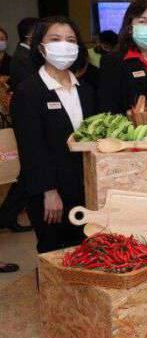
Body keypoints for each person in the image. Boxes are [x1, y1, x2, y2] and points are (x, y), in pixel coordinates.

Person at [11, 16, 95, 253]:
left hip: (83, 188)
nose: (64, 45)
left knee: (86, 252)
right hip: (50, 192)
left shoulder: (86, 90)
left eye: (71, 40)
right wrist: (48, 191)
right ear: (41, 47)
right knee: (54, 254)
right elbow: (31, 148)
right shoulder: (29, 91)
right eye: (55, 39)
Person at [0, 24, 32, 233]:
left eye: (3, 38)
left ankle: (7, 216)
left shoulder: (11, 59)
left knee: (16, 171)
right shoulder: (22, 58)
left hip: (8, 119)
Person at [9, 17, 38, 91]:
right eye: (39, 30)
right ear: (28, 34)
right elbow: (30, 86)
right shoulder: (22, 58)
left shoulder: (27, 53)